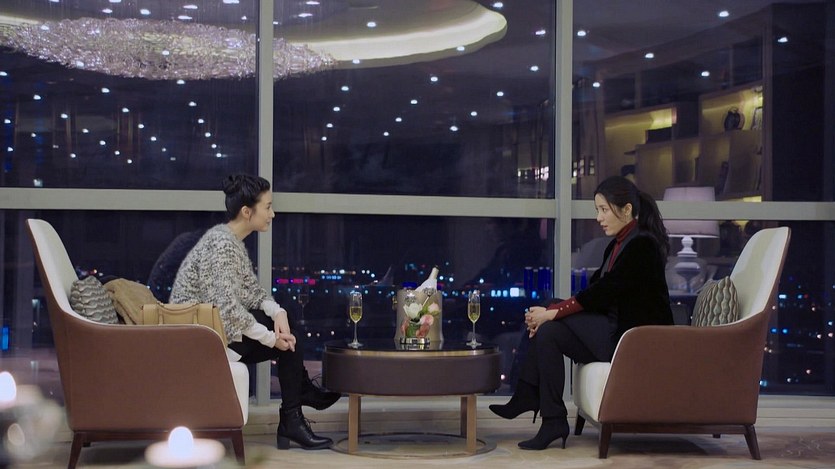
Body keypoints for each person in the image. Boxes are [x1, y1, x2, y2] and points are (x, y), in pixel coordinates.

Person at [489, 175, 674, 450]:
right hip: (615, 331)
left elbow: (604, 292)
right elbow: (596, 291)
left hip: (633, 342)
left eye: (604, 210)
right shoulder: (618, 244)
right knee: (549, 331)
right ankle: (552, 420)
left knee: (550, 314)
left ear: (626, 210)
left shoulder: (642, 246)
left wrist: (552, 312)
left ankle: (527, 394)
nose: (598, 218)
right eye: (597, 210)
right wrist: (551, 313)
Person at [171, 174, 339, 450]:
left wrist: (278, 312)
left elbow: (252, 292)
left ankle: (295, 410)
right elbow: (228, 311)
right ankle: (294, 412)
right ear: (247, 212)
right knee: (287, 339)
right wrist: (272, 339)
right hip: (200, 342)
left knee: (286, 324)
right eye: (268, 207)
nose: (273, 214)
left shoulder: (231, 241)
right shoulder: (221, 245)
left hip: (215, 333)